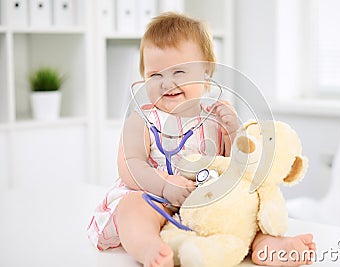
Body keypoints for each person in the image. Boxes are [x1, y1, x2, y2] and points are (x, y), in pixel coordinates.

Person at [87, 12, 315, 267]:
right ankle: (150, 247)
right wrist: (164, 186)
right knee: (132, 208)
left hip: (208, 204)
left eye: (179, 72)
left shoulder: (217, 113)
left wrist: (233, 132)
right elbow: (130, 165)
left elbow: (239, 166)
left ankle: (267, 246)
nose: (166, 83)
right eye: (155, 75)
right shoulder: (143, 117)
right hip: (155, 198)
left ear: (206, 72)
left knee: (247, 204)